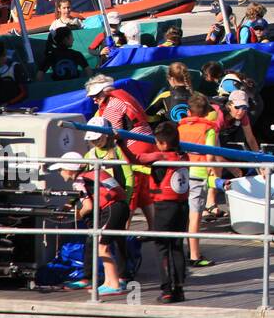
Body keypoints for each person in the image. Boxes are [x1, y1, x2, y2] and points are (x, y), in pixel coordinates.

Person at [125, 122, 191, 303]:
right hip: (182, 206)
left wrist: (121, 144)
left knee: (162, 247)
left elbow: (133, 159)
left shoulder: (159, 155)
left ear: (161, 143)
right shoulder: (183, 155)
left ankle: (167, 290)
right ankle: (179, 289)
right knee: (177, 246)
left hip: (165, 207)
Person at [52, 151, 128, 297]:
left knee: (102, 247)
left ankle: (115, 285)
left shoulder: (79, 182)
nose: (60, 173)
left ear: (69, 169)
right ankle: (108, 282)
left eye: (61, 169)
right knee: (105, 245)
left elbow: (88, 207)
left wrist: (77, 216)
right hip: (121, 207)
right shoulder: (94, 172)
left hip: (111, 210)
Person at [87, 74, 155, 226]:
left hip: (135, 146)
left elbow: (113, 131)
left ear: (104, 91)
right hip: (147, 140)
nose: (93, 99)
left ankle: (125, 231)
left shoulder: (112, 105)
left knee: (131, 190)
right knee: (144, 193)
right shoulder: (122, 97)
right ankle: (153, 228)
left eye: (96, 95)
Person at [178, 94, 220, 267]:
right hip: (199, 173)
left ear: (188, 111)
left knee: (184, 214)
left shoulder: (180, 128)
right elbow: (209, 153)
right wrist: (212, 171)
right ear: (206, 113)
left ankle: (182, 250)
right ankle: (195, 255)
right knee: (195, 216)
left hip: (181, 173)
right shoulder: (208, 129)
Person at [0, 38, 28, 105]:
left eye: (3, 55)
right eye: (0, 56)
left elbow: (24, 92)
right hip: (0, 109)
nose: (3, 57)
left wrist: (8, 103)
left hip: (17, 106)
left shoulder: (15, 67)